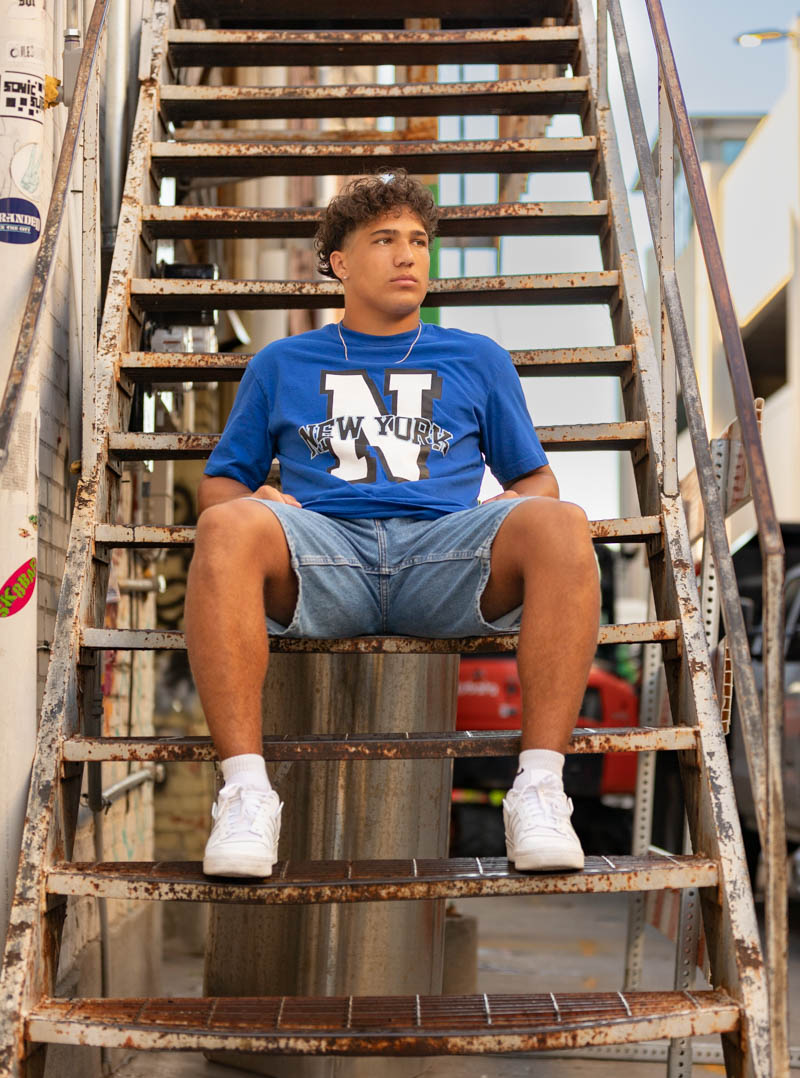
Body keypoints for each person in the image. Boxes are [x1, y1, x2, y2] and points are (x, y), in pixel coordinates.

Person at [184, 169, 600, 879]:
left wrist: (507, 508)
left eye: (417, 240)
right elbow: (220, 482)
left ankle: (538, 787)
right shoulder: (283, 362)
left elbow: (535, 479)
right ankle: (246, 795)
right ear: (340, 262)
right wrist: (259, 499)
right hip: (325, 557)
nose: (408, 255)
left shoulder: (477, 358)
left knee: (562, 522)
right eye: (384, 240)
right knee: (226, 527)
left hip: (444, 557)